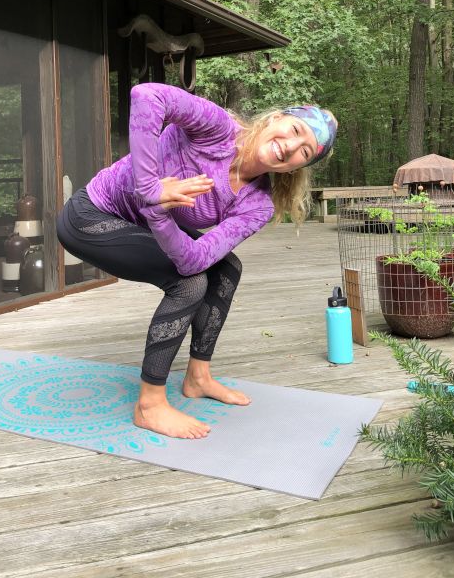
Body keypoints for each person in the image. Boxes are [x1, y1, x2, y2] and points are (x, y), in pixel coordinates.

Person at [57, 82, 337, 440]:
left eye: (305, 151)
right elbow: (147, 95)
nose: (292, 146)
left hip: (145, 221)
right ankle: (150, 404)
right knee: (189, 285)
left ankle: (198, 377)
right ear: (274, 119)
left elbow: (198, 257)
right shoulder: (217, 129)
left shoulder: (257, 203)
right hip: (90, 215)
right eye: (295, 130)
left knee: (225, 269)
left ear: (300, 166)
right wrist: (149, 190)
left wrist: (157, 214)